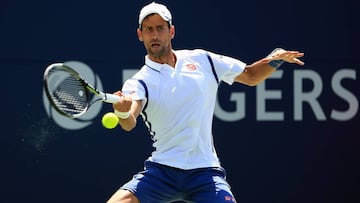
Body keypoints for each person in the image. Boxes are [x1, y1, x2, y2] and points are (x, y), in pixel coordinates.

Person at [107, 2, 304, 203]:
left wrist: (276, 59)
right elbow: (129, 121)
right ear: (140, 34)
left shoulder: (203, 60)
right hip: (162, 172)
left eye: (160, 28)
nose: (155, 35)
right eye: (149, 29)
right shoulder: (139, 82)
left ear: (171, 31)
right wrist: (122, 112)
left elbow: (251, 76)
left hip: (205, 173)